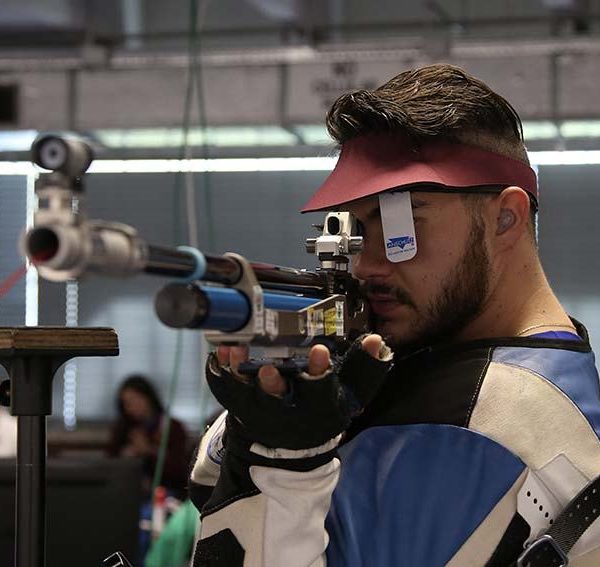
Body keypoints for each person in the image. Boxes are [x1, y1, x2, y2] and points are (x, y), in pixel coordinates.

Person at [188, 64, 600, 566]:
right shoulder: (548, 369)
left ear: (506, 217)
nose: (368, 264)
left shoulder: (457, 435)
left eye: (404, 227)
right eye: (363, 226)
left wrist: (283, 458)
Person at [107, 374, 188, 497]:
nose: (132, 407)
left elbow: (180, 470)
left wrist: (148, 450)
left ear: (148, 397)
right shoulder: (123, 429)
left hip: (167, 493)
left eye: (136, 400)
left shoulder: (171, 427)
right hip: (130, 492)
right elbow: (110, 463)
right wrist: (128, 454)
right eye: (127, 403)